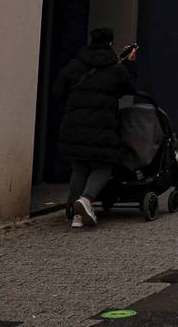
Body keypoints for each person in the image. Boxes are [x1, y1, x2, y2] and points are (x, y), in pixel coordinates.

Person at [50, 27, 138, 228]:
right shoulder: (116, 69)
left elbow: (57, 91)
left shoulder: (75, 64)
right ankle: (86, 200)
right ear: (110, 44)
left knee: (79, 167)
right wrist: (130, 63)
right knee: (103, 166)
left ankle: (76, 215)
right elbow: (129, 88)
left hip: (74, 124)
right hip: (102, 126)